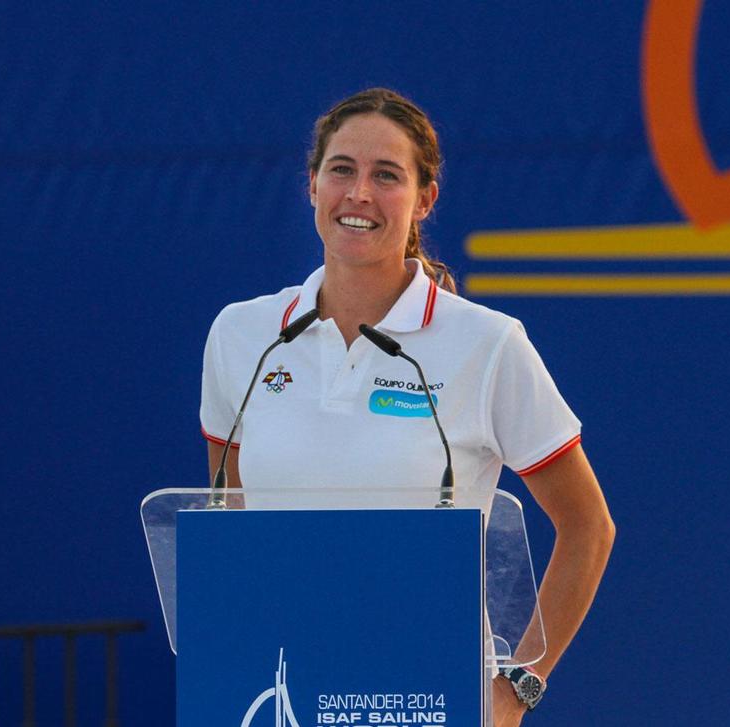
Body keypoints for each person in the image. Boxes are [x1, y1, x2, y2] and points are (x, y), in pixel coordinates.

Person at [200, 88, 615, 726]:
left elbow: (588, 527)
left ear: (425, 198)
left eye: (387, 175)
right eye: (342, 169)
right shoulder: (241, 334)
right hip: (281, 693)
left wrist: (517, 688)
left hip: (431, 699)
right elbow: (233, 520)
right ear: (312, 185)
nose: (359, 193)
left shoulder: (489, 344)